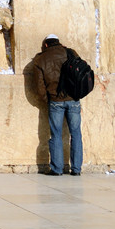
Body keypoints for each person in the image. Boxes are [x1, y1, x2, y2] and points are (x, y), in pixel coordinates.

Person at [32, 34, 82, 176]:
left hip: (55, 101)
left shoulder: (40, 59)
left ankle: (57, 169)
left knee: (55, 134)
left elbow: (40, 86)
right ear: (58, 43)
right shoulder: (71, 53)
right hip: (73, 99)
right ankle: (77, 169)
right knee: (76, 133)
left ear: (46, 45)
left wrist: (47, 100)